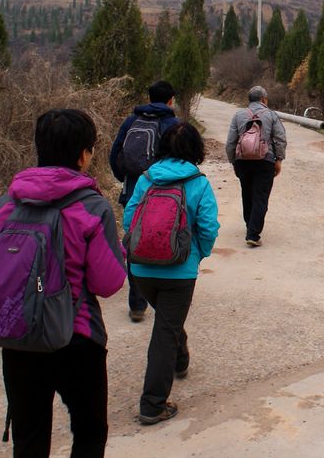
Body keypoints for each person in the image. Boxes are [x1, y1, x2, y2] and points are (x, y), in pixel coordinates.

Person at [0, 109, 126, 457]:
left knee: (29, 438)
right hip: (77, 339)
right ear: (83, 155)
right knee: (89, 433)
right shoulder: (92, 206)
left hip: (20, 337)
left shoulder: (6, 204)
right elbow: (108, 283)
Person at [123, 122, 220, 426]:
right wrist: (196, 255)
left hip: (141, 269)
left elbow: (129, 218)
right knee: (165, 330)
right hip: (179, 272)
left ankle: (180, 359)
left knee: (167, 320)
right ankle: (152, 405)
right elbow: (207, 228)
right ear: (196, 150)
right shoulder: (199, 182)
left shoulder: (146, 179)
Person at [109, 80, 180, 322]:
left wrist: (126, 178)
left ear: (149, 97)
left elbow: (115, 153)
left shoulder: (131, 121)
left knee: (134, 242)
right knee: (165, 238)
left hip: (132, 191)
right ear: (170, 100)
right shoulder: (172, 123)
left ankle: (137, 304)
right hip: (164, 195)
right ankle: (163, 294)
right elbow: (180, 160)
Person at [224, 85, 287, 247]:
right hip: (265, 161)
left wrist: (233, 161)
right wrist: (278, 159)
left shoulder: (238, 115)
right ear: (264, 99)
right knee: (261, 196)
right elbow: (280, 139)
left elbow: (230, 142)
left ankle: (250, 225)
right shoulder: (272, 115)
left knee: (247, 193)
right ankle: (253, 234)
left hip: (242, 161)